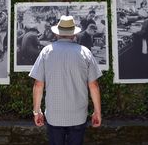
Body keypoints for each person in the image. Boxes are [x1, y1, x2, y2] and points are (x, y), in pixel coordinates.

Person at [29, 15, 102, 145]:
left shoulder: (46, 52)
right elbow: (94, 85)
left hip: (54, 115)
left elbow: (38, 84)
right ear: (74, 35)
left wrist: (37, 111)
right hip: (78, 115)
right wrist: (97, 112)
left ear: (57, 34)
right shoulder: (85, 53)